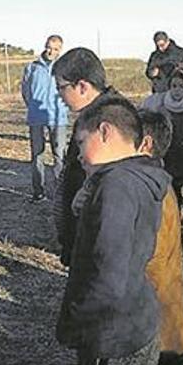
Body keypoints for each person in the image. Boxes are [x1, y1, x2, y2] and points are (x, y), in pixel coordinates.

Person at [56, 97, 168, 365]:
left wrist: (76, 325)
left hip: (113, 334)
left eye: (80, 142)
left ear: (104, 131)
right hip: (137, 322)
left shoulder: (116, 185)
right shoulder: (139, 175)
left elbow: (109, 272)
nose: (77, 154)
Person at [137, 110, 183, 365]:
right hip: (162, 314)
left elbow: (149, 258)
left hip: (157, 314)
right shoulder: (155, 183)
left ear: (144, 144)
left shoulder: (152, 192)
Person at [52, 47, 127, 266]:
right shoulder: (92, 115)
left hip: (95, 238)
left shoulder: (107, 122)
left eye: (61, 88)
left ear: (82, 86)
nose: (60, 97)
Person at [143, 69, 183, 255]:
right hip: (171, 159)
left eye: (182, 86)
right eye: (174, 86)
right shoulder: (164, 106)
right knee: (174, 202)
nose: (177, 90)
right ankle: (175, 238)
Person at [21, 35, 69, 201]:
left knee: (60, 156)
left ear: (60, 50)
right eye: (49, 47)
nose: (51, 51)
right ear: (45, 46)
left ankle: (60, 193)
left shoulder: (65, 68)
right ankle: (38, 192)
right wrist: (33, 106)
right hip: (37, 117)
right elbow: (25, 91)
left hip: (58, 118)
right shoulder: (32, 68)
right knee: (37, 155)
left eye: (56, 49)